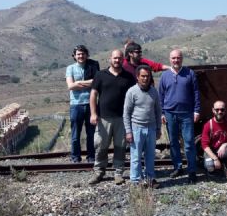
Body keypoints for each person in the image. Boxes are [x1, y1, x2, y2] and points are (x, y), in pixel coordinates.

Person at [88, 50, 136, 185]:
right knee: (101, 145)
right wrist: (93, 113)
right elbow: (93, 95)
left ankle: (118, 173)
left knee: (120, 146)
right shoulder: (100, 75)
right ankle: (99, 172)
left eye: (120, 58)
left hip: (122, 118)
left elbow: (133, 96)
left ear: (123, 60)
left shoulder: (128, 77)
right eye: (115, 58)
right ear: (110, 59)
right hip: (104, 118)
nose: (117, 60)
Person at [158, 48, 201, 184]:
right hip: (170, 114)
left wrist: (196, 111)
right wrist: (162, 113)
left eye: (178, 58)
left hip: (187, 114)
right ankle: (178, 167)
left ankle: (192, 170)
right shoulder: (164, 76)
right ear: (169, 59)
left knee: (188, 143)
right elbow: (161, 96)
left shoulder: (190, 73)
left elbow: (196, 93)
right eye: (173, 58)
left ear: (182, 59)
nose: (176, 60)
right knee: (173, 143)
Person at [123, 65, 162, 187]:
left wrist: (158, 128)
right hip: (136, 128)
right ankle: (136, 181)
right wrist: (128, 131)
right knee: (136, 157)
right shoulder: (131, 92)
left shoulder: (154, 92)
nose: (145, 78)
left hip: (151, 128)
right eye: (143, 76)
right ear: (138, 77)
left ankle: (150, 178)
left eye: (147, 76)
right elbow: (126, 113)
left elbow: (158, 111)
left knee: (150, 156)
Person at [65, 45, 100, 163]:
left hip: (91, 104)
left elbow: (96, 82)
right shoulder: (70, 68)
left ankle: (91, 157)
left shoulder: (93, 66)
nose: (81, 56)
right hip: (76, 105)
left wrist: (79, 82)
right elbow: (70, 86)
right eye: (78, 54)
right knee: (75, 134)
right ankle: (75, 157)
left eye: (83, 54)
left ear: (87, 55)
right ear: (74, 56)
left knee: (91, 133)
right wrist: (88, 83)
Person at [201, 100, 227, 184]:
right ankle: (212, 172)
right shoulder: (208, 125)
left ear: (225, 110)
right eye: (217, 110)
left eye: (222, 110)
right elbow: (204, 145)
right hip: (212, 149)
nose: (220, 112)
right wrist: (215, 158)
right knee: (209, 164)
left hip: (224, 149)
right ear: (213, 110)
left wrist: (225, 145)